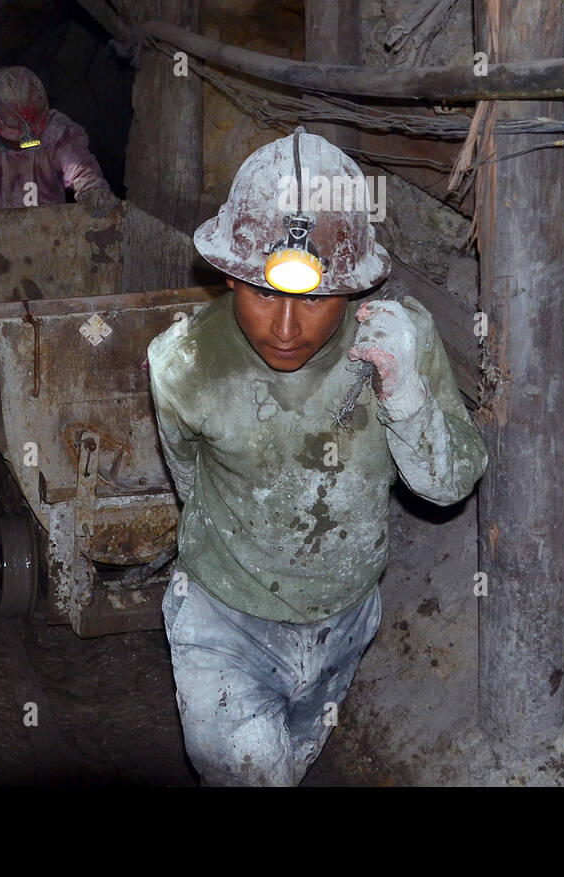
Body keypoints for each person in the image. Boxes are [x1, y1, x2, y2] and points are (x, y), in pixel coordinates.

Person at [146, 127, 487, 786]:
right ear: (228, 274)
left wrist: (407, 395)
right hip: (223, 619)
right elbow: (190, 479)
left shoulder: (399, 341)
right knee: (253, 771)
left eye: (315, 299)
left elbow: (449, 487)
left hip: (345, 622)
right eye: (263, 291)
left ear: (356, 286)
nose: (283, 327)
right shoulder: (183, 365)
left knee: (294, 760)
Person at [0, 65, 117, 224]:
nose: (23, 140)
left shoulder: (57, 131)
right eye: (15, 134)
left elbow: (77, 163)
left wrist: (92, 188)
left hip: (48, 231)